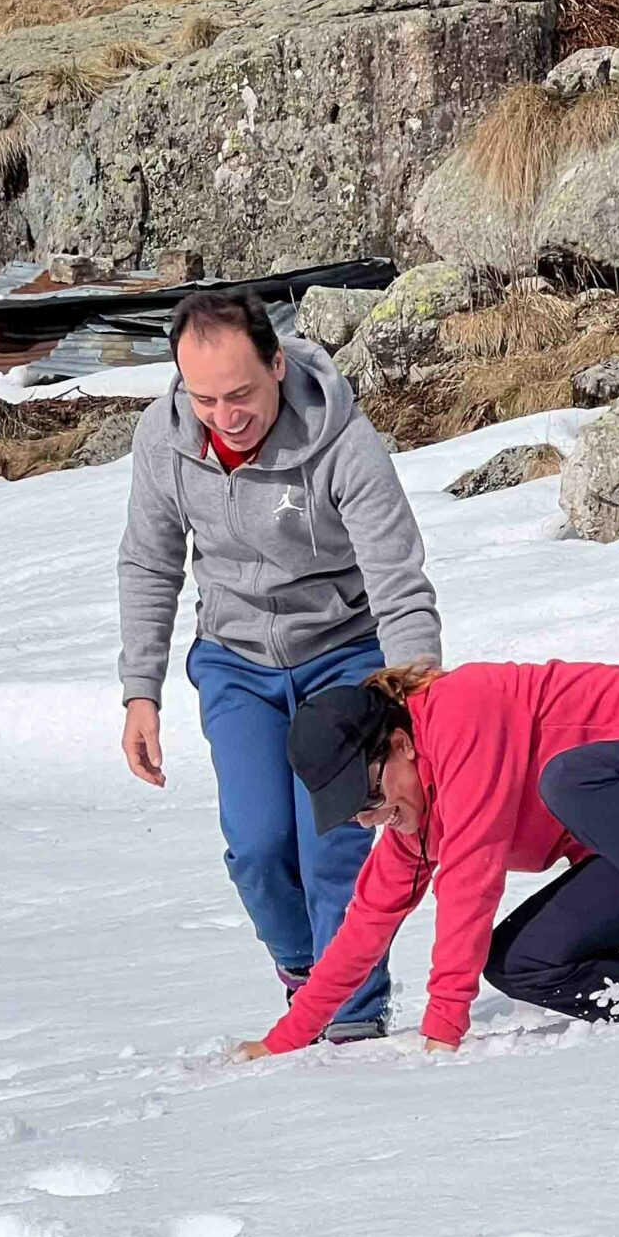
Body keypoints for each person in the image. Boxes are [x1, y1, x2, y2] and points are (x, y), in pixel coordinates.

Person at [118, 287, 442, 1044]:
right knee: (259, 847)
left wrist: (418, 705)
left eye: (240, 395)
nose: (225, 416)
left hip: (343, 656)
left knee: (331, 846)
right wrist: (140, 692)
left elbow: (397, 581)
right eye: (204, 399)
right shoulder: (164, 438)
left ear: (276, 365)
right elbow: (149, 563)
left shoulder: (342, 439)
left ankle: (352, 1015)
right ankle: (306, 975)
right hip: (236, 662)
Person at [234, 659, 619, 1058]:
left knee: (569, 778)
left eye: (365, 797)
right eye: (352, 813)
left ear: (401, 745)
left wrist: (443, 1029)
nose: (367, 818)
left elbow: (471, 876)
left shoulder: (462, 709)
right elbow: (367, 922)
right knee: (521, 961)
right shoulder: (420, 811)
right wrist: (284, 1040)